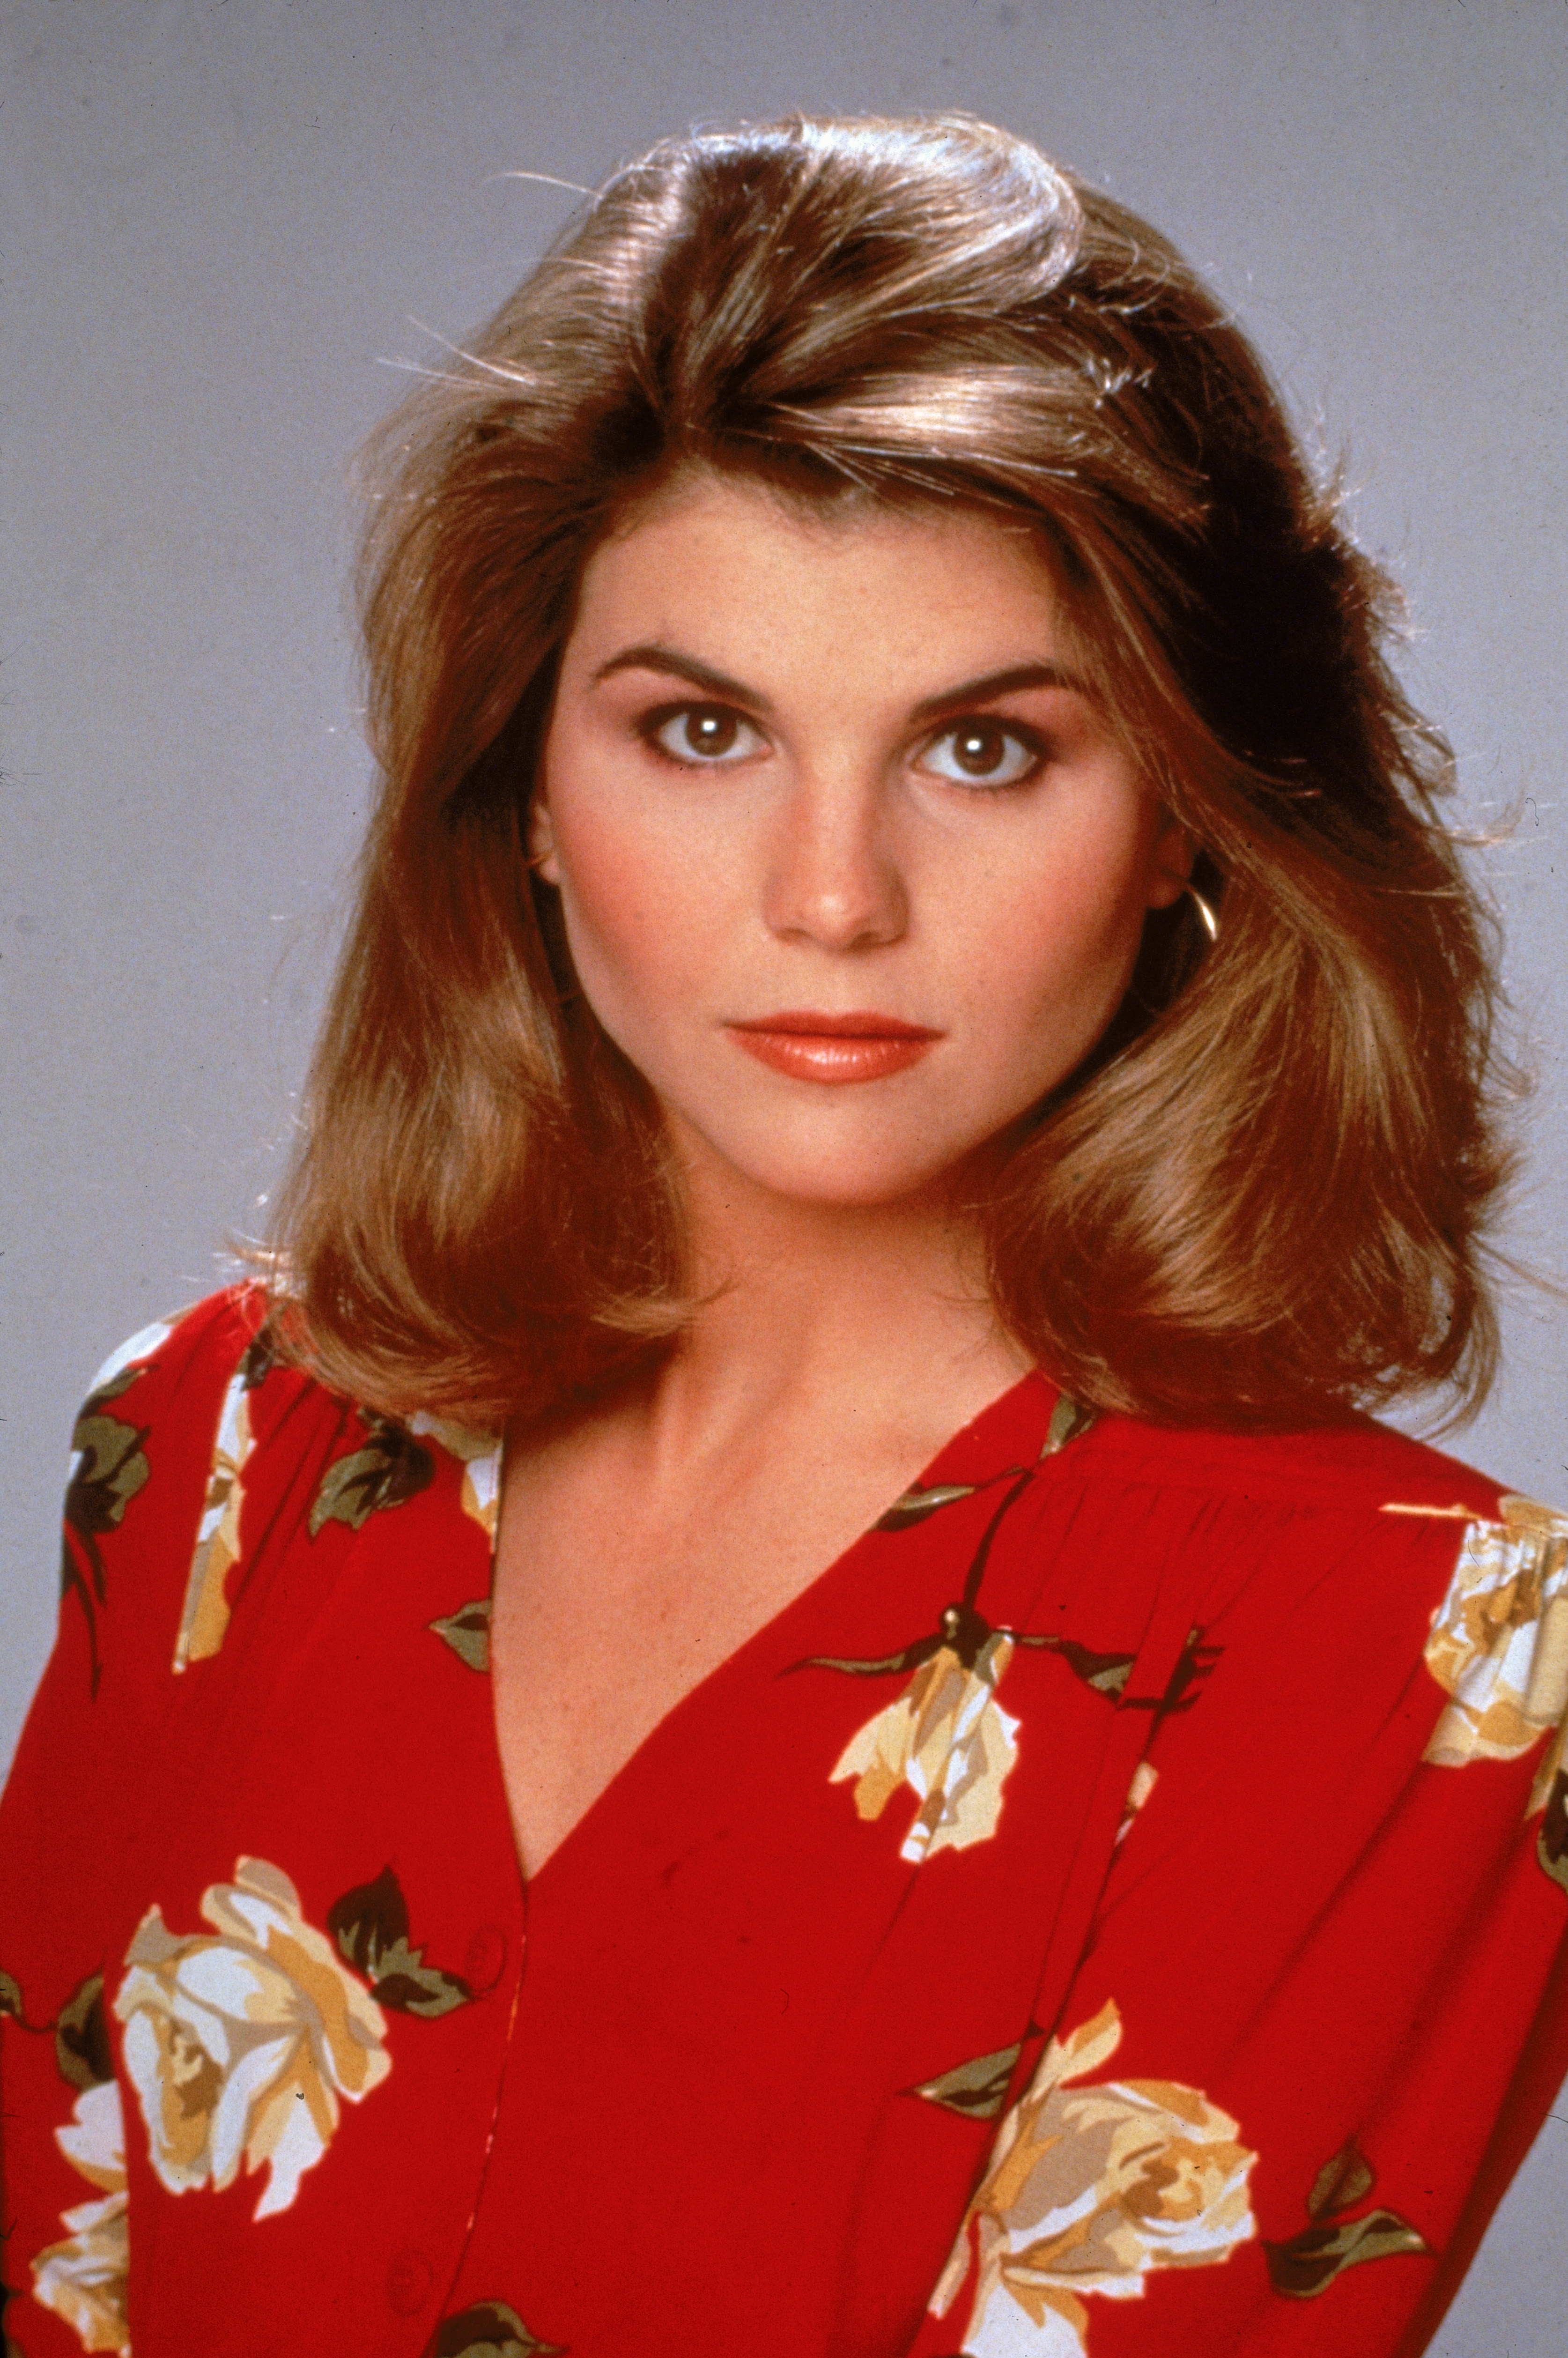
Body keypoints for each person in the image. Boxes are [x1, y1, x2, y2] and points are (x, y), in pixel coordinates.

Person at [1, 110, 1563, 2358]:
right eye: (704, 727)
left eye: (988, 749)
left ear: (1180, 822)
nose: (833, 897)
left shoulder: (1419, 1649)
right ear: (530, 788)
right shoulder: (213, 1465)